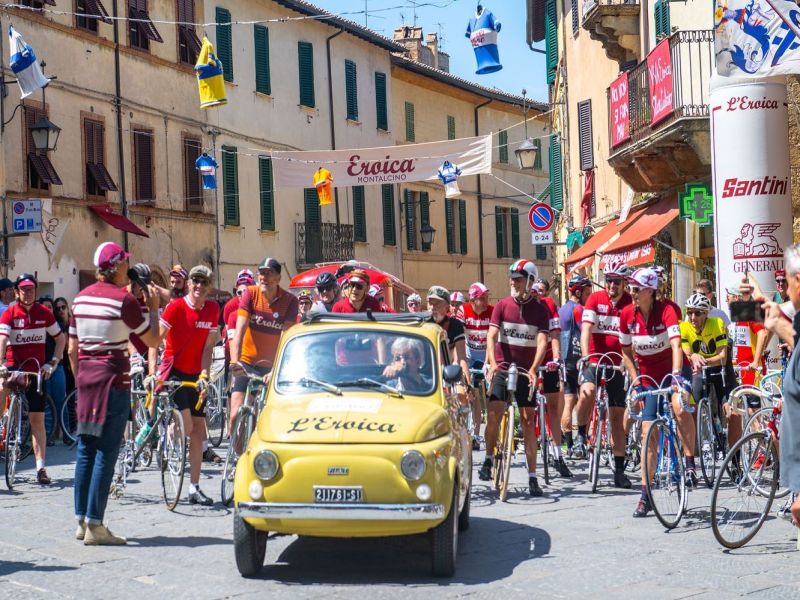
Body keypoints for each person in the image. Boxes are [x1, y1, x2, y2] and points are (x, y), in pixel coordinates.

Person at [69, 242, 161, 544]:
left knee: (85, 449)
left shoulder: (79, 300)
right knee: (107, 451)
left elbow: (73, 349)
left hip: (86, 379)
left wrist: (81, 377)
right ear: (115, 267)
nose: (127, 268)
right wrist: (155, 308)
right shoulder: (124, 301)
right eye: (124, 263)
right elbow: (153, 340)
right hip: (113, 381)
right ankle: (96, 525)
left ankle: (81, 521)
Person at [619, 267, 694, 517]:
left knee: (679, 406)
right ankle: (645, 494)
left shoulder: (668, 310)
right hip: (647, 376)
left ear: (651, 291)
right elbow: (626, 353)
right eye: (630, 287)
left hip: (674, 368)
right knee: (646, 433)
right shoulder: (627, 315)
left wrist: (675, 376)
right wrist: (636, 381)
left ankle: (690, 460)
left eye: (637, 289)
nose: (632, 292)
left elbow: (676, 345)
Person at [480, 259, 551, 496]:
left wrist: (534, 368)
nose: (513, 282)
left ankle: (532, 477)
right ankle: (489, 457)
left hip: (525, 371)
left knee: (529, 421)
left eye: (518, 279)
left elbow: (542, 341)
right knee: (494, 412)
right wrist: (491, 363)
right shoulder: (502, 305)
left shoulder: (540, 311)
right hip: (502, 367)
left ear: (530, 281)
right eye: (512, 278)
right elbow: (491, 336)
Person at [157, 265, 220, 506]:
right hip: (173, 371)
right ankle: (169, 437)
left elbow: (207, 347)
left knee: (198, 431)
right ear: (189, 283)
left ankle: (194, 487)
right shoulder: (175, 307)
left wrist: (205, 373)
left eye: (204, 282)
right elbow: (156, 340)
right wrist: (152, 369)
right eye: (195, 281)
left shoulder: (213, 309)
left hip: (196, 374)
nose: (199, 286)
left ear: (209, 286)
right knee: (186, 425)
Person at [0, 273, 65, 483]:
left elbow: (60, 338)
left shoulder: (44, 313)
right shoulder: (9, 313)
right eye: (24, 290)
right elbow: (2, 340)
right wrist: (1, 364)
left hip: (37, 371)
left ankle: (40, 468)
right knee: (1, 387)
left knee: (37, 420)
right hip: (14, 367)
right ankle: (2, 421)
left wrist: (53, 362)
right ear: (17, 292)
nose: (28, 293)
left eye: (31, 289)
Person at [579, 261, 633, 488]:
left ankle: (619, 470)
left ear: (625, 283)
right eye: (608, 280)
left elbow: (632, 337)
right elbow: (586, 330)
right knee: (588, 392)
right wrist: (584, 356)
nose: (611, 285)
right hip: (594, 358)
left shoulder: (631, 303)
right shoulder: (595, 299)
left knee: (617, 416)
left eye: (616, 281)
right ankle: (581, 433)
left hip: (617, 364)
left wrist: (629, 363)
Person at [229, 257, 298, 433]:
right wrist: (234, 361)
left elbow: (285, 338)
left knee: (265, 417)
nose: (263, 278)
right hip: (246, 362)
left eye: (269, 273)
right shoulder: (250, 294)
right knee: (235, 414)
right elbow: (239, 331)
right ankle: (237, 456)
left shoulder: (290, 301)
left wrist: (276, 369)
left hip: (272, 367)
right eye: (261, 273)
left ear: (278, 278)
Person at [532, 279, 571, 478]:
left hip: (548, 360)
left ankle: (557, 456)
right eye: (533, 291)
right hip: (528, 360)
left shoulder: (549, 305)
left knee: (553, 409)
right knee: (527, 409)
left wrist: (556, 358)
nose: (536, 294)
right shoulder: (524, 306)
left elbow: (555, 334)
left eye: (540, 291)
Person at [680, 294, 729, 446]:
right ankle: (693, 445)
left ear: (706, 313)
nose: (692, 317)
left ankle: (727, 436)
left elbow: (723, 357)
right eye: (689, 312)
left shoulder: (716, 323)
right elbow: (687, 355)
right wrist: (693, 356)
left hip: (718, 368)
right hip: (699, 370)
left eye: (697, 313)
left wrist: (702, 359)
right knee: (691, 405)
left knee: (728, 407)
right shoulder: (684, 327)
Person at [457, 282, 493, 449]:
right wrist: (461, 362)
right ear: (473, 300)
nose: (486, 302)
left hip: (485, 353)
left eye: (487, 298)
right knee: (470, 393)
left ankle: (479, 433)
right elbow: (459, 338)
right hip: (469, 354)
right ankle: (468, 432)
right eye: (483, 299)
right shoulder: (463, 310)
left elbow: (492, 340)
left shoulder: (492, 311)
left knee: (483, 394)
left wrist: (487, 362)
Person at [559, 274, 591, 458]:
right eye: (587, 292)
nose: (589, 296)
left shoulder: (561, 309)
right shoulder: (579, 309)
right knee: (583, 399)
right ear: (578, 292)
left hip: (565, 359)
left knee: (568, 401)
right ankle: (580, 440)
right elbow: (586, 331)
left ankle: (569, 444)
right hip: (579, 358)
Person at [427, 286, 471, 411]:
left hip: (449, 370)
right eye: (430, 303)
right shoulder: (422, 323)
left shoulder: (455, 325)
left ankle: (463, 426)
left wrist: (466, 382)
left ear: (447, 308)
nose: (433, 307)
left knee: (462, 396)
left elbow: (462, 357)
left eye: (437, 303)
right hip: (427, 372)